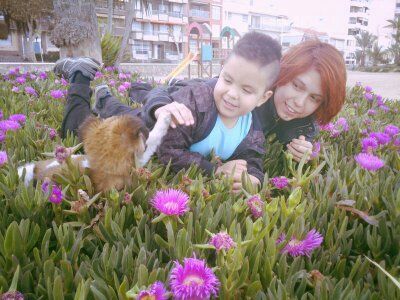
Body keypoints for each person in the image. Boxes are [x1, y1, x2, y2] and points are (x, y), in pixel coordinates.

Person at [57, 32, 282, 191]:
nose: (232, 94)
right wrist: (213, 170)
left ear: (263, 98)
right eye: (227, 79)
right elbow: (166, 151)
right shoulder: (196, 101)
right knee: (79, 129)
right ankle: (79, 76)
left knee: (123, 109)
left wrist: (254, 178)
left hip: (149, 109)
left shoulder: (251, 127)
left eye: (247, 90)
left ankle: (105, 98)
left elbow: (253, 157)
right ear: (220, 71)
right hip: (146, 129)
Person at [94, 39, 347, 165]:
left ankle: (141, 89)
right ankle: (106, 98)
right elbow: (180, 100)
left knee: (150, 98)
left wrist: (307, 150)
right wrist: (161, 105)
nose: (299, 102)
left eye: (314, 98)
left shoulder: (301, 122)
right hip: (187, 93)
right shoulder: (240, 92)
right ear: (284, 74)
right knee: (144, 114)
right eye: (297, 85)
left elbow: (308, 132)